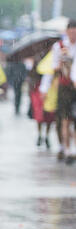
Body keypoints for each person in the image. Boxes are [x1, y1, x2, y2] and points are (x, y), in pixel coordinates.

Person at [40, 19, 76, 163]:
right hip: (64, 87)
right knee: (64, 119)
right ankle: (66, 148)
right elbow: (51, 69)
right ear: (67, 32)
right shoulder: (59, 47)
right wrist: (44, 88)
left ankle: (72, 147)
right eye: (71, 31)